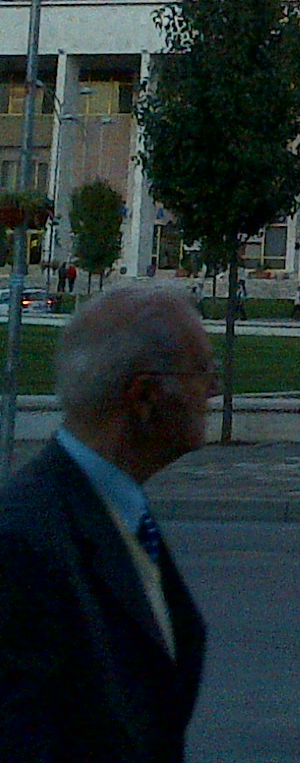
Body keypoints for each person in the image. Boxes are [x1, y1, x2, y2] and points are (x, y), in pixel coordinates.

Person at [0, 285, 216, 760]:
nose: (214, 389)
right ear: (144, 397)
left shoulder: (116, 509)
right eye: (201, 371)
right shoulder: (24, 546)